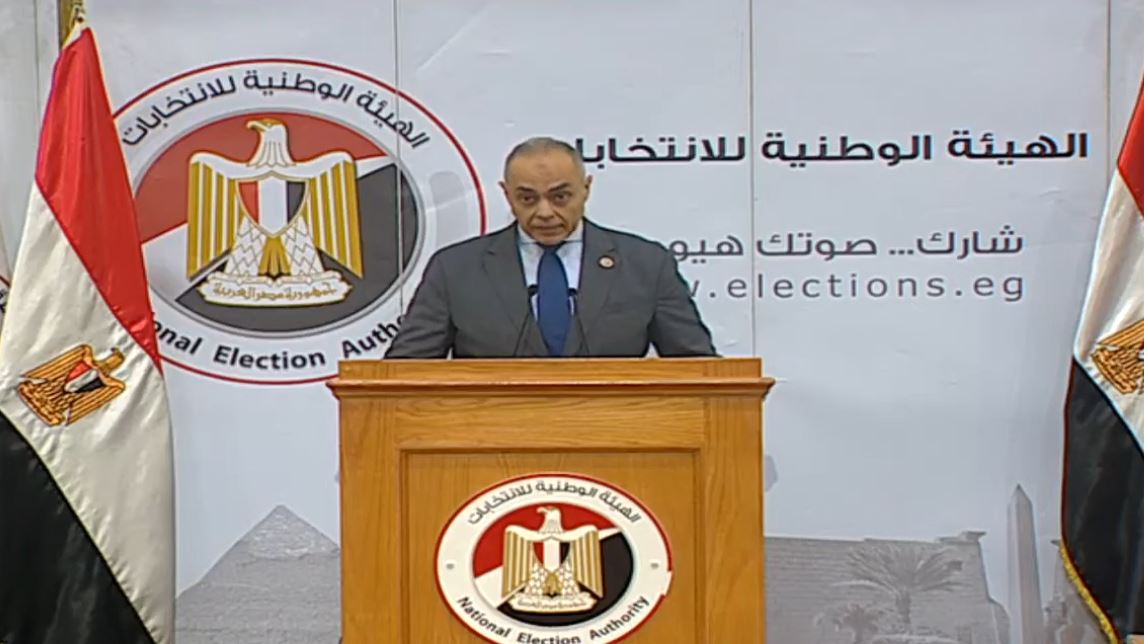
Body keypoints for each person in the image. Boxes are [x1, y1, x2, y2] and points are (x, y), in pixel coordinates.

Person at [384, 136, 717, 359]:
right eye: (527, 199)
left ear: (586, 189)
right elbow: (403, 374)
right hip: (493, 436)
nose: (544, 212)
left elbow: (699, 369)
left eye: (560, 197)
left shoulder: (646, 265)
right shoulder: (456, 270)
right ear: (506, 194)